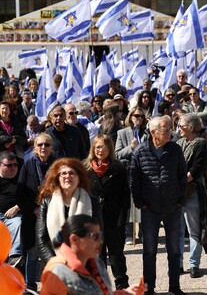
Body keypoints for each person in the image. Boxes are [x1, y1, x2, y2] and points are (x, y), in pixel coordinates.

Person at [129, 115, 187, 295]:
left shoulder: (175, 150)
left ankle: (174, 287)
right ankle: (149, 288)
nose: (171, 132)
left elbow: (182, 177)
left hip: (172, 208)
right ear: (154, 133)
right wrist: (141, 203)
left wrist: (179, 200)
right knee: (149, 252)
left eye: (170, 128)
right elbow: (134, 181)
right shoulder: (140, 152)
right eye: (166, 129)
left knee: (175, 251)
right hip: (150, 209)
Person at [40, 214, 143, 295]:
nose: (101, 241)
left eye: (101, 236)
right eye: (95, 236)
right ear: (74, 239)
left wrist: (124, 293)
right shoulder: (57, 272)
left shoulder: (95, 262)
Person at [84, 134, 130, 289]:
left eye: (103, 146)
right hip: (94, 219)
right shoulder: (86, 169)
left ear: (109, 148)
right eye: (97, 147)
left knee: (116, 254)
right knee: (98, 255)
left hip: (114, 217)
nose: (100, 150)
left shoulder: (118, 168)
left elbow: (125, 194)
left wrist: (123, 217)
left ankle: (121, 284)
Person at [36, 158, 100, 263]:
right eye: (63, 173)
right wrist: (56, 263)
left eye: (72, 173)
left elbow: (97, 235)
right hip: (55, 265)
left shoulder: (92, 201)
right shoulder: (47, 202)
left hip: (85, 263)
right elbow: (41, 239)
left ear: (79, 177)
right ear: (57, 178)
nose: (67, 176)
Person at [16, 134, 57, 291]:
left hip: (54, 214)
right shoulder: (28, 165)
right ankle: (30, 285)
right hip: (32, 215)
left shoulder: (58, 164)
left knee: (52, 251)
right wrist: (33, 209)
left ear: (51, 148)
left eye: (47, 145)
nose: (43, 148)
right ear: (35, 147)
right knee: (32, 252)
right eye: (40, 144)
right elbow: (20, 193)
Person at [176, 114, 207, 278]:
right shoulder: (179, 143)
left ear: (191, 127)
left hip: (193, 190)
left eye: (181, 125)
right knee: (178, 229)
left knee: (194, 230)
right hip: (177, 192)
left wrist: (182, 182)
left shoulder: (200, 144)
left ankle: (194, 264)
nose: (179, 128)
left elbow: (197, 168)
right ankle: (177, 263)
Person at [115, 107, 148, 244]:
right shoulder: (122, 133)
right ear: (130, 117)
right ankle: (129, 234)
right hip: (128, 171)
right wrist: (131, 147)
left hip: (144, 172)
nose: (138, 118)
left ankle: (142, 233)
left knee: (143, 200)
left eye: (141, 116)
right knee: (129, 202)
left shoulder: (147, 133)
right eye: (136, 116)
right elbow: (117, 154)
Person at [0, 152, 23, 268]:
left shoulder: (21, 180)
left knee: (18, 223)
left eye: (15, 165)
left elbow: (31, 197)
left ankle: (15, 256)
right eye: (9, 165)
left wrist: (17, 207)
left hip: (13, 216)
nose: (13, 168)